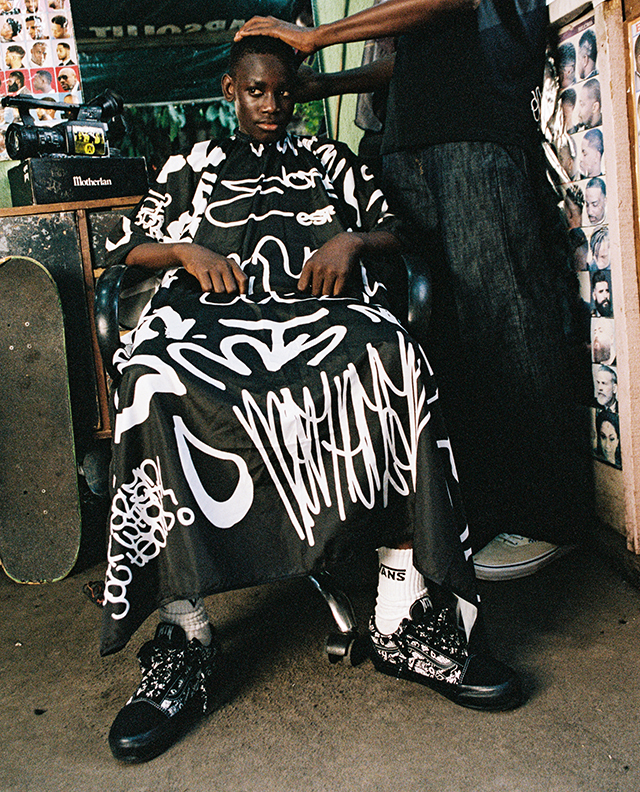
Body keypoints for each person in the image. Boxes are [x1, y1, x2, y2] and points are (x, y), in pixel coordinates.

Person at [101, 35, 521, 764]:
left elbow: (396, 228)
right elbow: (127, 247)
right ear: (230, 91)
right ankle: (184, 637)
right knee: (150, 379)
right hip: (210, 320)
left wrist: (351, 243)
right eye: (256, 91)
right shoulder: (191, 165)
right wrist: (185, 252)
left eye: (284, 91)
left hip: (323, 314)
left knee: (394, 357)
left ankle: (400, 618)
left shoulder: (330, 161)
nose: (272, 104)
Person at [236, 0, 593, 581]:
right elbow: (417, 57)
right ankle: (488, 509)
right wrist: (326, 84)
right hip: (411, 143)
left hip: (473, 129)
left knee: (505, 313)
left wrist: (318, 36)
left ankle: (549, 517)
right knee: (446, 333)